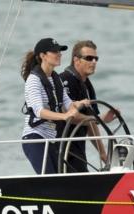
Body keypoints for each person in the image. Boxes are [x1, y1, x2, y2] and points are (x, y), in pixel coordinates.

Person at [21, 38, 89, 174]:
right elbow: (39, 111)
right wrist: (64, 116)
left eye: (60, 51)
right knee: (50, 178)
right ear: (42, 56)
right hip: (35, 138)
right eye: (54, 51)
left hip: (52, 138)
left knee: (62, 176)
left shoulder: (55, 78)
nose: (59, 54)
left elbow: (68, 104)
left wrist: (79, 104)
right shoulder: (33, 80)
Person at [59, 40, 116, 172]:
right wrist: (100, 119)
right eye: (89, 58)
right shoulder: (66, 79)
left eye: (96, 58)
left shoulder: (87, 84)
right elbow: (69, 116)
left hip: (77, 146)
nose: (94, 62)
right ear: (76, 60)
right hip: (62, 146)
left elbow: (91, 121)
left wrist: (103, 154)